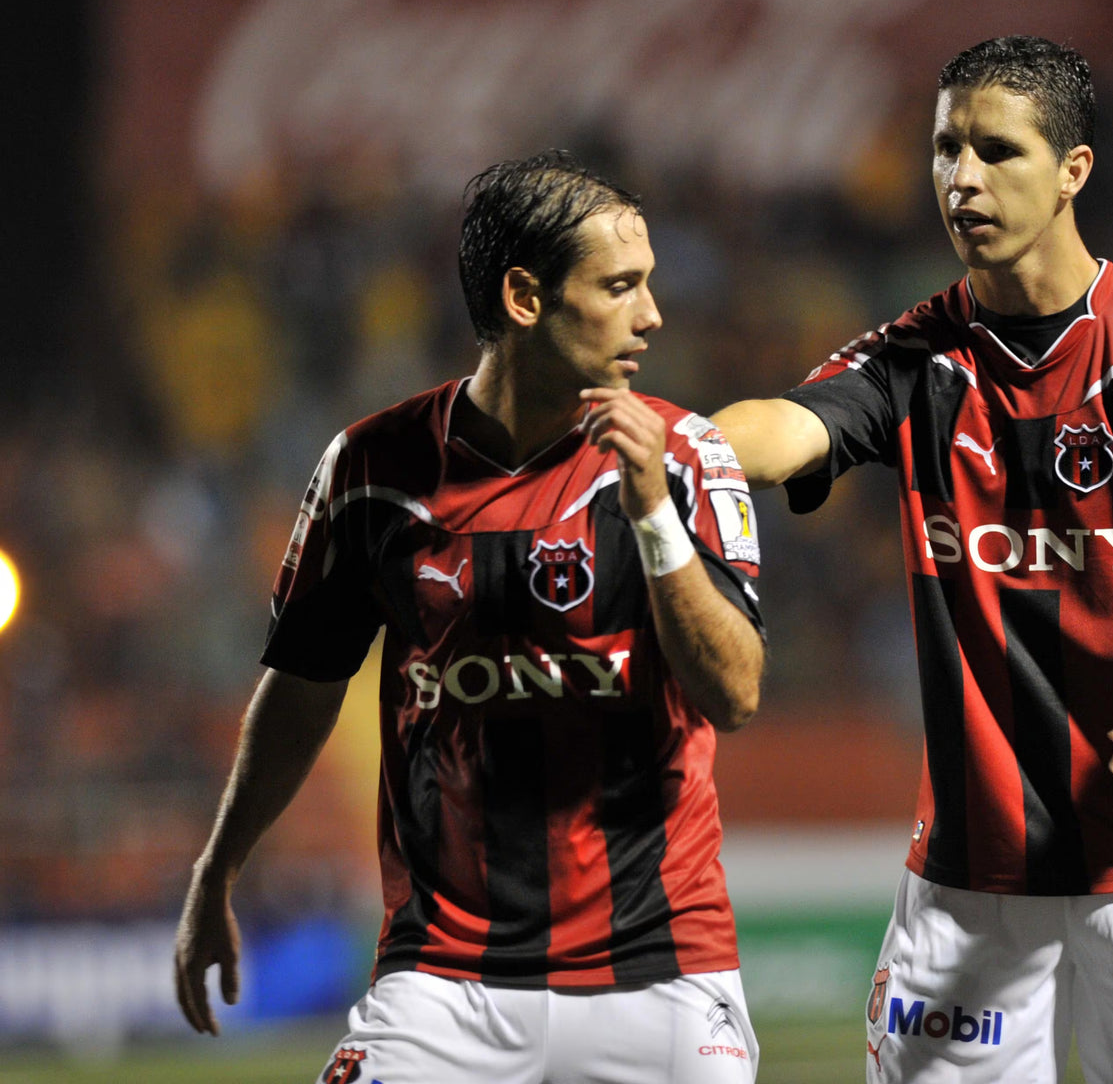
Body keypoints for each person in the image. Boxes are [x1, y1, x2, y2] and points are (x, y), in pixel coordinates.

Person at [713, 37, 1113, 1083]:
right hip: (969, 893)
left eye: (995, 150)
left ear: (1071, 171)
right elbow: (784, 427)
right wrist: (676, 448)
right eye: (944, 148)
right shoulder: (913, 359)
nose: (960, 177)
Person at [174, 151, 767, 1084]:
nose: (651, 315)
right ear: (525, 298)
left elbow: (733, 693)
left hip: (659, 975)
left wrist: (653, 512)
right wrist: (219, 869)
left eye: (647, 285)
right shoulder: (371, 472)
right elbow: (298, 693)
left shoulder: (684, 457)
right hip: (441, 983)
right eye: (619, 287)